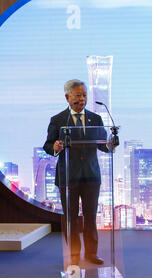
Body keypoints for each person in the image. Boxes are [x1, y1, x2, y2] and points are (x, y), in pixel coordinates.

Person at [43, 79, 115, 265]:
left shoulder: (95, 119)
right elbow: (47, 145)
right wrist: (56, 146)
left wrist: (111, 144)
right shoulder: (58, 120)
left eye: (84, 95)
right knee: (71, 218)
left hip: (91, 176)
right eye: (78, 95)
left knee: (90, 216)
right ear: (68, 97)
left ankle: (91, 254)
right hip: (68, 177)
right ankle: (74, 255)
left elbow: (103, 146)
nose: (82, 99)